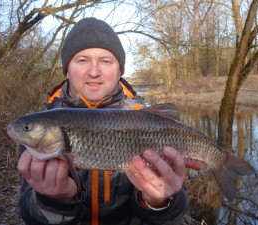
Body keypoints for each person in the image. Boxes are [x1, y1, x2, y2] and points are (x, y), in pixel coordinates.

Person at [17, 17, 189, 225]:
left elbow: (174, 215)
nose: (94, 72)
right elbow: (29, 215)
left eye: (106, 61)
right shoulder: (41, 128)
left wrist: (158, 203)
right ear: (67, 70)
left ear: (119, 71)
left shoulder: (145, 119)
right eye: (82, 60)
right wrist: (54, 202)